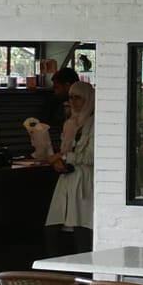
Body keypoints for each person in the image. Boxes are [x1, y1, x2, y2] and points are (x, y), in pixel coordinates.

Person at [43, 78, 94, 257]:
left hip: (83, 178)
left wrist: (64, 157)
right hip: (67, 177)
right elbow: (65, 149)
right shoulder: (70, 123)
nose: (73, 102)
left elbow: (91, 156)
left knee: (82, 226)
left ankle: (84, 273)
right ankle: (55, 272)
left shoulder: (94, 124)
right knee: (53, 226)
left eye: (78, 98)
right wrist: (59, 161)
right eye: (71, 97)